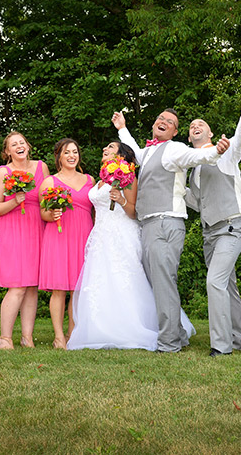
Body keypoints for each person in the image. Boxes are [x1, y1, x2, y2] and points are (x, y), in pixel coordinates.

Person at [112, 108, 230, 353]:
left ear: (176, 132)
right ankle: (176, 335)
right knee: (160, 282)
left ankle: (169, 343)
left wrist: (215, 151)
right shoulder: (149, 152)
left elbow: (195, 157)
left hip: (165, 222)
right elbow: (133, 150)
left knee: (164, 282)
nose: (163, 121)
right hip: (150, 224)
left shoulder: (175, 149)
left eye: (170, 122)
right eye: (160, 118)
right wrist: (122, 127)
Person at [67, 142, 195, 350]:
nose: (104, 149)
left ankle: (137, 327)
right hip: (100, 236)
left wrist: (120, 199)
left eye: (110, 147)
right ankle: (100, 328)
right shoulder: (100, 179)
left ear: (122, 155)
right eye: (105, 147)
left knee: (125, 280)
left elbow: (134, 211)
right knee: (101, 281)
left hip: (122, 234)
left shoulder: (129, 177)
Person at [185, 83, 241, 357]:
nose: (196, 126)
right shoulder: (193, 170)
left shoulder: (225, 154)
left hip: (230, 227)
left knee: (214, 281)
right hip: (209, 233)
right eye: (192, 126)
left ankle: (222, 346)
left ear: (211, 133)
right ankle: (240, 340)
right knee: (227, 285)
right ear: (190, 138)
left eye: (200, 123)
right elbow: (196, 203)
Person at [0, 132, 49, 350]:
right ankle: (5, 338)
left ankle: (27, 337)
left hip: (36, 229)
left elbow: (46, 200)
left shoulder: (41, 167)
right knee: (17, 286)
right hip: (12, 230)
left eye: (22, 142)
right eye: (14, 144)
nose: (19, 146)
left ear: (28, 145)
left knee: (31, 287)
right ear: (8, 152)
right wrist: (15, 201)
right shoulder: (3, 172)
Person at [39, 138, 94, 350]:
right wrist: (52, 214)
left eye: (75, 152)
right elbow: (42, 214)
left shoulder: (90, 180)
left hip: (84, 235)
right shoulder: (50, 182)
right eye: (67, 152)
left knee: (78, 289)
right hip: (59, 236)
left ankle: (73, 332)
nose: (72, 156)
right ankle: (59, 336)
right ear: (59, 157)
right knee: (59, 289)